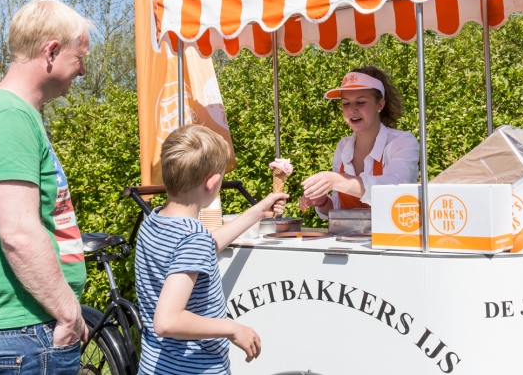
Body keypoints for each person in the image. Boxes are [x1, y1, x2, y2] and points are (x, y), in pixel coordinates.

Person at [0, 0, 91, 374]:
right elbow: (19, 234)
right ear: (52, 51)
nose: (84, 72)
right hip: (24, 334)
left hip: (25, 334)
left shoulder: (11, 114)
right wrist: (68, 314)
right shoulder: (7, 117)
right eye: (80, 59)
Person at [135, 124, 288, 375]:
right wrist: (232, 328)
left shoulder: (154, 220)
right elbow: (167, 321)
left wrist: (258, 211)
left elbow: (203, 247)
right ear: (214, 183)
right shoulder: (192, 237)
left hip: (155, 366)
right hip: (192, 369)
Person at [299, 66, 419, 217]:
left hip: (395, 236)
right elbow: (340, 206)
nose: (352, 110)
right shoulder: (343, 147)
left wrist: (335, 180)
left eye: (361, 102)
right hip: (352, 237)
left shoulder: (402, 142)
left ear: (379, 105)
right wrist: (321, 201)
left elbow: (392, 187)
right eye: (346, 103)